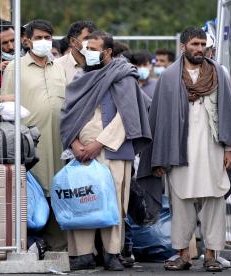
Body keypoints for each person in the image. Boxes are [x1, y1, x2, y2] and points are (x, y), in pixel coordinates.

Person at [137, 27, 231, 272]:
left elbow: (228, 113)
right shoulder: (168, 78)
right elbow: (159, 120)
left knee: (214, 201)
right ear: (183, 46)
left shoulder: (218, 74)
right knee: (181, 203)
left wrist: (229, 148)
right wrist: (159, 157)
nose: (199, 49)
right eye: (194, 44)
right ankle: (183, 255)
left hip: (213, 149)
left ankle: (211, 255)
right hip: (179, 151)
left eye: (202, 44)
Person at [60, 30, 151, 271]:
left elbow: (127, 118)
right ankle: (83, 254)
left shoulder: (124, 77)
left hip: (112, 149)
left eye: (94, 49)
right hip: (81, 152)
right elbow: (67, 114)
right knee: (82, 200)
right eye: (86, 48)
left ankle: (112, 253)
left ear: (108, 52)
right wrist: (75, 144)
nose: (88, 53)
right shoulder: (80, 78)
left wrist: (98, 144)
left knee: (113, 202)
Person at [2, 19, 67, 251]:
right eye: (38, 37)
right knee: (37, 192)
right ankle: (36, 245)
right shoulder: (14, 68)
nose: (43, 42)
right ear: (27, 40)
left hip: (60, 141)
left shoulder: (61, 67)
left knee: (60, 190)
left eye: (47, 38)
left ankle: (61, 247)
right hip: (31, 143)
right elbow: (7, 108)